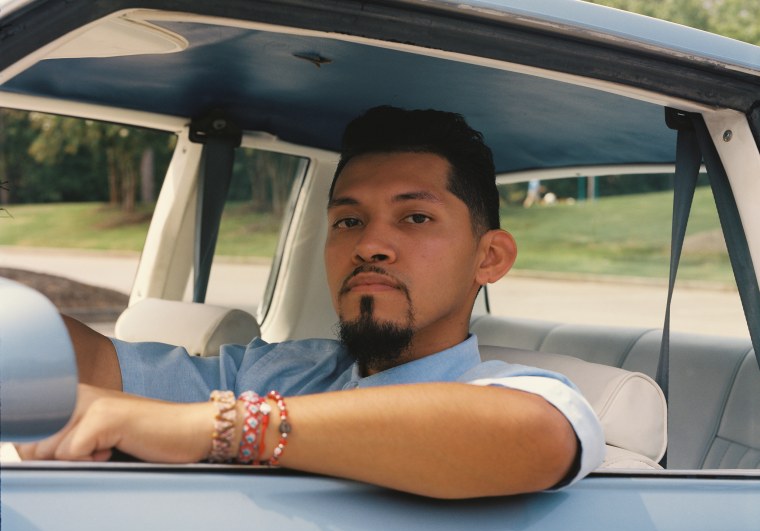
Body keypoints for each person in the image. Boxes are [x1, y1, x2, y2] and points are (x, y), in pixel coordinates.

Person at [18, 106, 604, 499]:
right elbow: (90, 366)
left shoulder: (516, 393)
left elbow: (533, 436)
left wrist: (219, 428)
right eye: (348, 220)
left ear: (490, 258)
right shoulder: (275, 369)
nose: (370, 245)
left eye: (416, 217)